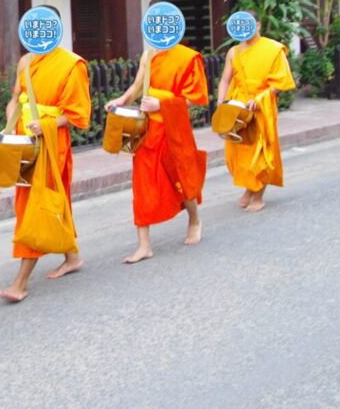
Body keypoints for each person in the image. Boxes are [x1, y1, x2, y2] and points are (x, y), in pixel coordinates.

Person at [0, 7, 91, 303]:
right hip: (24, 142)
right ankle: (72, 256)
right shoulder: (26, 61)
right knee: (54, 199)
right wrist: (11, 127)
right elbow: (16, 100)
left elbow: (77, 114)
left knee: (38, 203)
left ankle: (21, 282)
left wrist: (48, 124)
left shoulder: (72, 64)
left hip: (51, 142)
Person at [105, 42, 208, 264]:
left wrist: (161, 104)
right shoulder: (149, 55)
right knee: (142, 183)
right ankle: (144, 245)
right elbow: (137, 86)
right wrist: (121, 100)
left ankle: (194, 220)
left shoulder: (188, 57)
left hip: (173, 127)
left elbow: (196, 97)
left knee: (181, 176)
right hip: (147, 129)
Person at [216, 15, 295, 212]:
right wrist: (220, 104)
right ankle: (249, 188)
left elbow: (280, 83)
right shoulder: (233, 52)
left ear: (258, 25)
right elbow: (225, 79)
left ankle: (258, 194)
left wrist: (259, 99)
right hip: (237, 107)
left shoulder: (273, 50)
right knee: (236, 150)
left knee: (260, 151)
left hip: (261, 105)